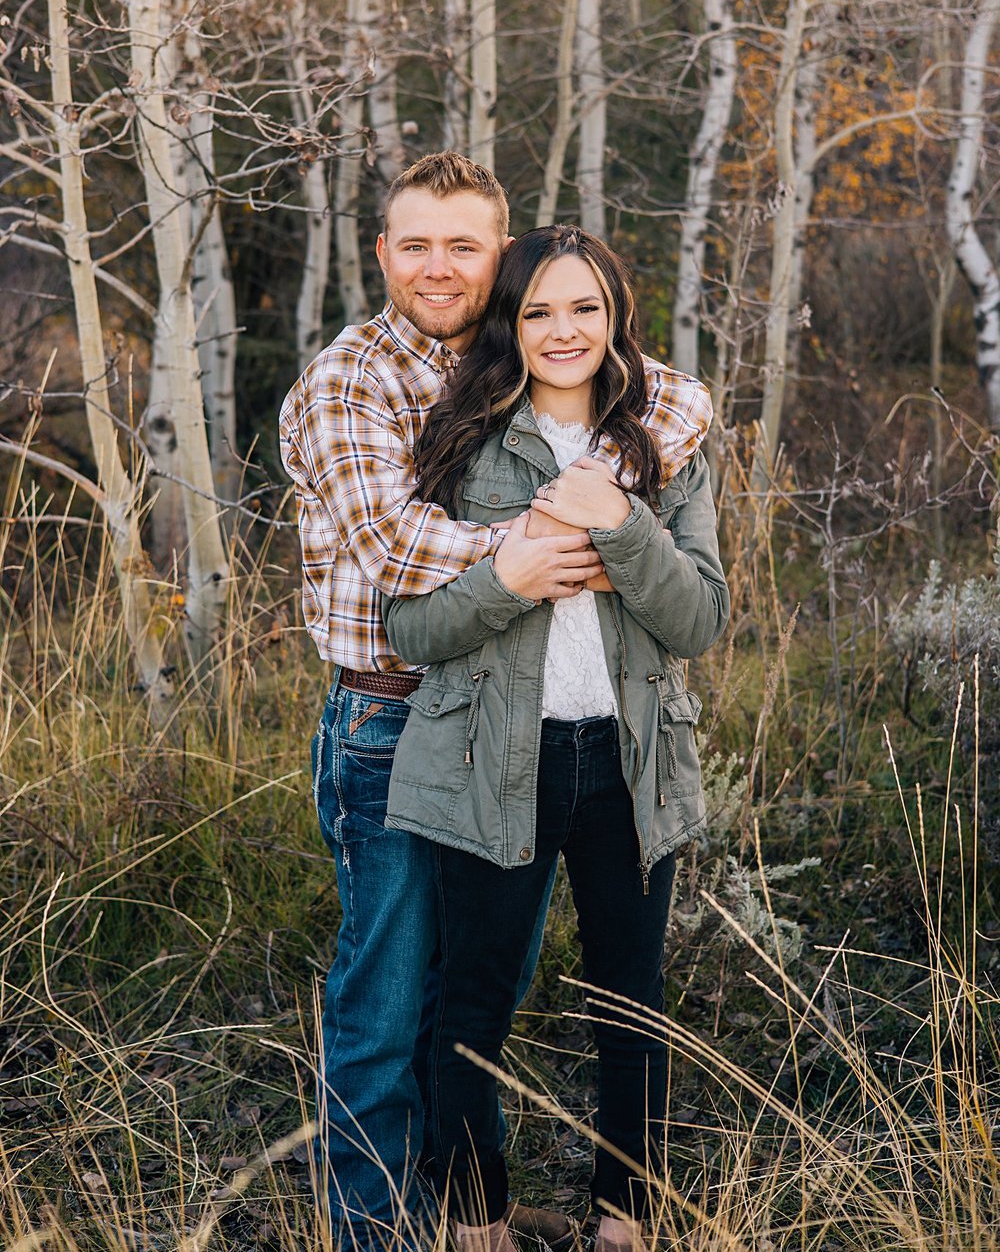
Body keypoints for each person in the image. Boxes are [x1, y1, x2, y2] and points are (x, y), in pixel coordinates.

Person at [280, 155, 705, 1251]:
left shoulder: (506, 355)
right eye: (413, 243)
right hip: (389, 719)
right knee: (388, 1000)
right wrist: (552, 547)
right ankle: (381, 1230)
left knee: (484, 981)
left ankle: (465, 1200)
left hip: (522, 730)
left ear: (498, 257)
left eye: (464, 245)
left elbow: (661, 393)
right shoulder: (353, 379)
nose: (438, 266)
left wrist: (641, 495)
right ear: (380, 253)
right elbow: (392, 554)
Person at [382, 226, 730, 1252]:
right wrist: (507, 575)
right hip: (494, 756)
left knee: (631, 1000)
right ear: (508, 323)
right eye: (538, 310)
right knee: (470, 1000)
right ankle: (475, 1218)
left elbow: (701, 618)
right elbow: (410, 628)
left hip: (629, 760)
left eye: (583, 307)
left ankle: (627, 1218)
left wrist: (619, 519)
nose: (563, 329)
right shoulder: (461, 439)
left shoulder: (665, 439)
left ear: (616, 315)